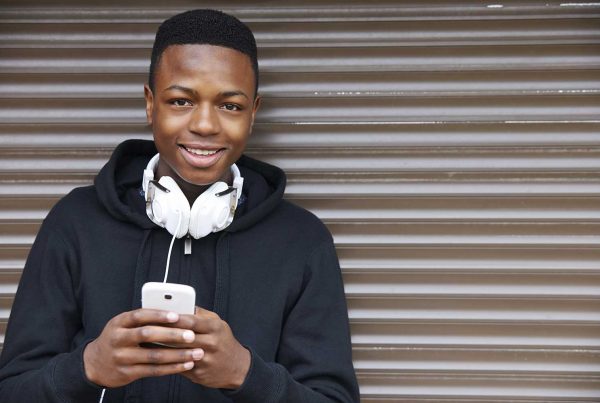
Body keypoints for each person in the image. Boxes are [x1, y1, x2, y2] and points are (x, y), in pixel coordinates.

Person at [0, 9, 360, 403]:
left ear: (254, 112)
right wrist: (86, 368)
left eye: (230, 106)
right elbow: (13, 388)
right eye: (181, 101)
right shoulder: (75, 222)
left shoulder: (302, 241)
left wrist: (245, 373)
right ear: (150, 104)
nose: (205, 125)